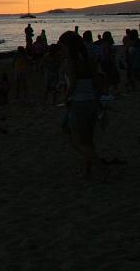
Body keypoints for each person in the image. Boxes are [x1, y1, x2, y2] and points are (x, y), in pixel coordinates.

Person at [59, 30, 101, 179]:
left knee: (76, 141)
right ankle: (87, 170)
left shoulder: (70, 61)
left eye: (62, 46)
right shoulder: (88, 59)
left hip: (78, 102)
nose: (61, 49)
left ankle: (100, 168)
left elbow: (73, 83)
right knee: (87, 140)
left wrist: (65, 98)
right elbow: (96, 81)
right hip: (91, 101)